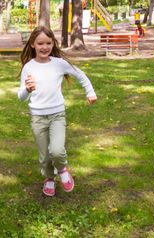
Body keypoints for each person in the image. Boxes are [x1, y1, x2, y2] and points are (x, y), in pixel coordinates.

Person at [18, 26, 97, 197]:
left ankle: (62, 170)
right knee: (45, 156)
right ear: (33, 44)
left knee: (57, 150)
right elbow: (20, 97)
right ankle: (49, 179)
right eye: (40, 43)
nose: (45, 47)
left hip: (57, 116)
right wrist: (27, 89)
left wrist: (90, 92)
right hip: (37, 117)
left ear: (53, 43)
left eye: (48, 42)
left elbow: (80, 75)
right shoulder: (29, 67)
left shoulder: (59, 64)